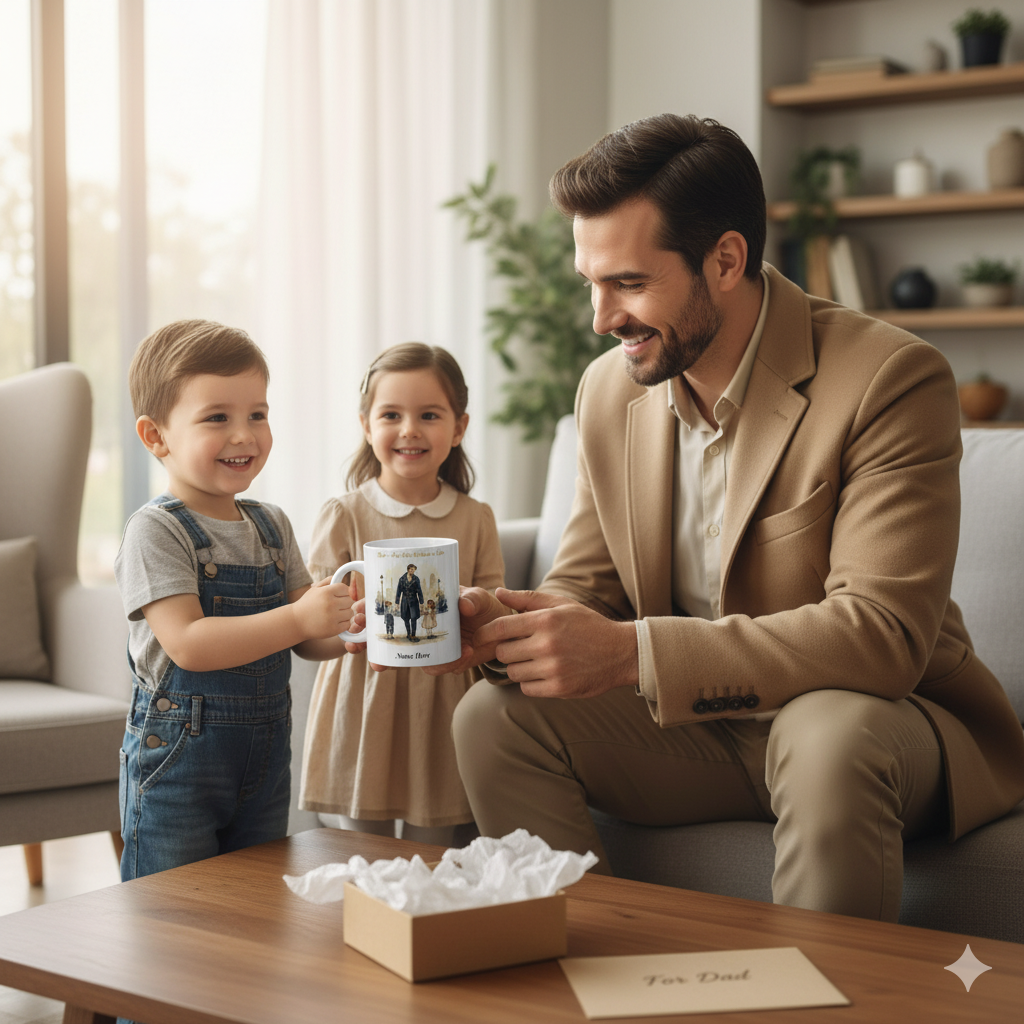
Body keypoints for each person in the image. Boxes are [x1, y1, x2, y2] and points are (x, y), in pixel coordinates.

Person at [445, 114, 1024, 921]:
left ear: (725, 260)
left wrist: (630, 654)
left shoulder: (891, 377)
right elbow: (587, 590)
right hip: (700, 728)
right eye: (591, 282)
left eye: (628, 283)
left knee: (825, 735)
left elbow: (882, 635)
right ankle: (581, 974)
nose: (600, 317)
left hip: (875, 721)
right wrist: (506, 628)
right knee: (495, 718)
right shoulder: (610, 391)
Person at [116, 319, 355, 886]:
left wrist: (349, 626)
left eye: (258, 414)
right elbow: (189, 645)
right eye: (217, 417)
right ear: (156, 437)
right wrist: (300, 615)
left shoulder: (272, 526)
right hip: (177, 768)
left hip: (264, 762)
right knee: (171, 909)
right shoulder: (157, 531)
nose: (245, 435)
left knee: (255, 906)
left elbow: (310, 640)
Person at [298, 342, 504, 846]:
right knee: (360, 851)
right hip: (363, 708)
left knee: (434, 850)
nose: (409, 429)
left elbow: (495, 617)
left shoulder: (476, 519)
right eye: (391, 414)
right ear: (367, 426)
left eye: (429, 415)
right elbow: (309, 638)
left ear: (458, 428)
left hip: (445, 706)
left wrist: (474, 608)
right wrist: (347, 628)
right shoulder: (342, 514)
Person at [396, 562, 425, 641]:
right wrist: (397, 603)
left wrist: (421, 602)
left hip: (413, 601)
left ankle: (413, 635)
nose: (413, 571)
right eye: (412, 570)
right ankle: (408, 634)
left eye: (414, 570)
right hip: (405, 601)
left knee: (413, 618)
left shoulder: (416, 579)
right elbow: (398, 591)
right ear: (408, 570)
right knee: (406, 618)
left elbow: (419, 591)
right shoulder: (402, 579)